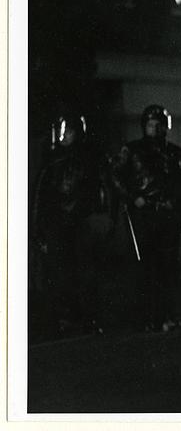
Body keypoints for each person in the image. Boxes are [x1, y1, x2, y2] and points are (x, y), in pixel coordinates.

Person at [112, 104, 181, 332]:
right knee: (146, 267)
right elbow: (116, 177)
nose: (156, 129)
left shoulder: (175, 152)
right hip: (145, 214)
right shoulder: (132, 150)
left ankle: (168, 314)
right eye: (151, 125)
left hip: (169, 214)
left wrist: (178, 201)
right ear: (144, 126)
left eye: (159, 124)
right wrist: (133, 197)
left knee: (168, 266)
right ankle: (148, 316)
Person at [31, 112, 108, 336]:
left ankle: (87, 318)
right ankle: (66, 319)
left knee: (85, 272)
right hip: (58, 225)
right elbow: (40, 196)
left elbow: (98, 192)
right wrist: (38, 231)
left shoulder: (88, 159)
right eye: (63, 132)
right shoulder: (52, 161)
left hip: (80, 224)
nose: (65, 137)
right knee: (61, 274)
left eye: (70, 131)